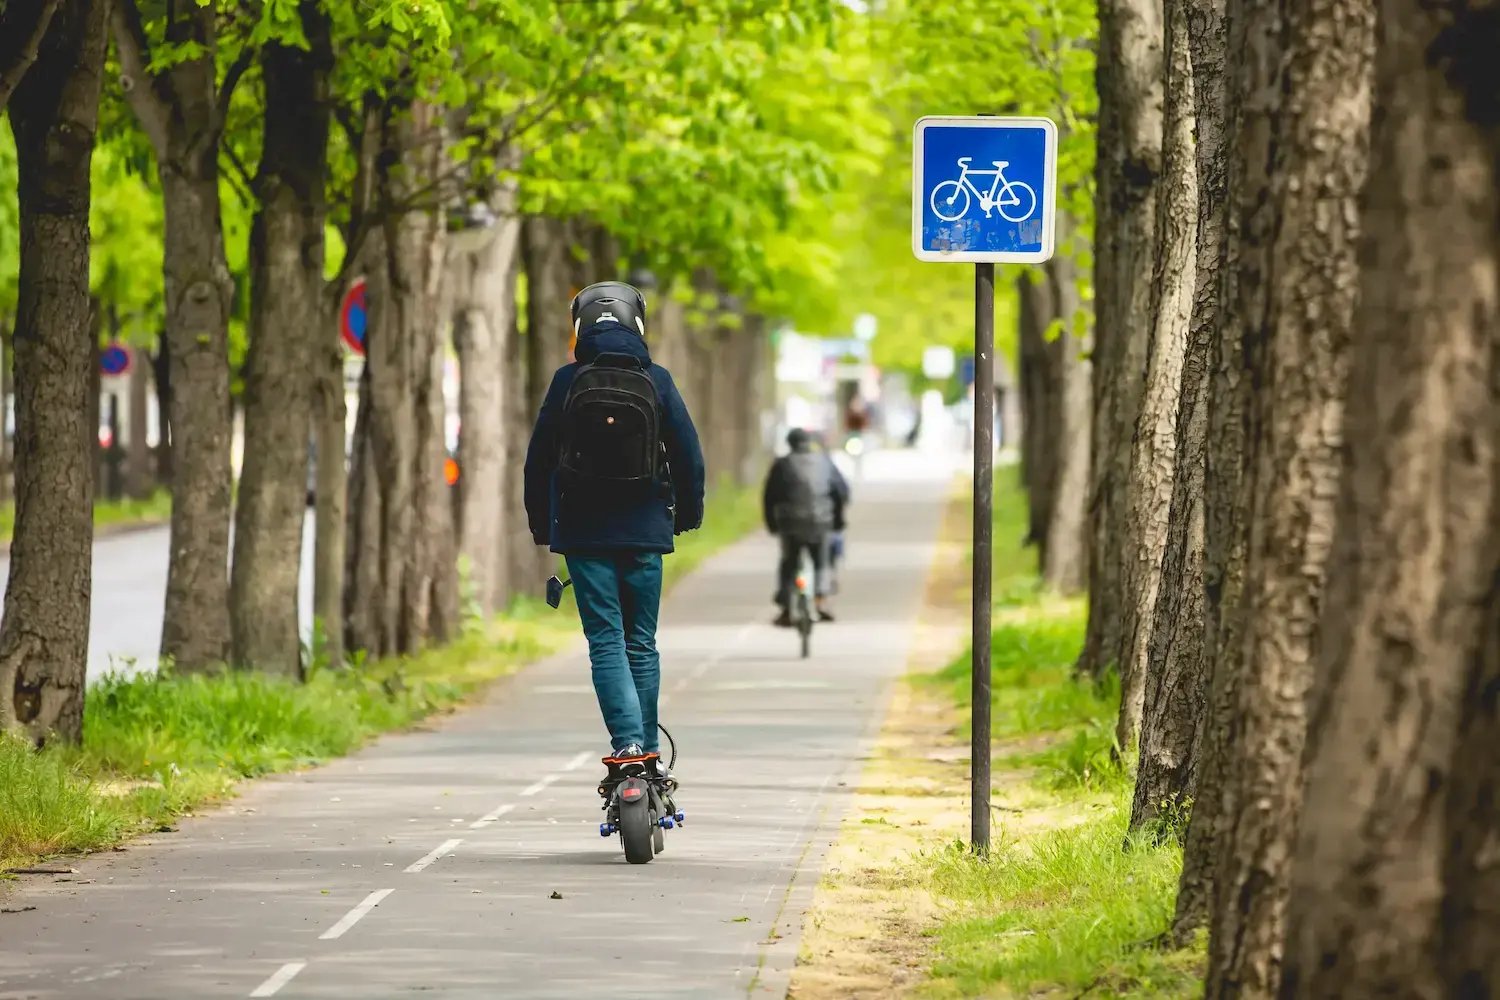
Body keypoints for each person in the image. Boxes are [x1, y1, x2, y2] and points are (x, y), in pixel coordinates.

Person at [524, 281, 706, 769]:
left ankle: (627, 745)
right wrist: (686, 515)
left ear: (579, 326)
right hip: (645, 531)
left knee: (605, 640)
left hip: (583, 535)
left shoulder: (567, 381)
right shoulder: (659, 379)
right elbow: (689, 455)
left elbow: (538, 459)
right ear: (637, 324)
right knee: (640, 642)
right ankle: (647, 756)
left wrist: (544, 525)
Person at [763, 428, 850, 627]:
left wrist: (772, 524)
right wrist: (838, 521)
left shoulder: (782, 464)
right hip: (821, 522)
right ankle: (820, 602)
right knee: (821, 561)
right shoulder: (824, 461)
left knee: (789, 564)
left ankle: (786, 610)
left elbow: (770, 497)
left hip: (790, 524)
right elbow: (840, 492)